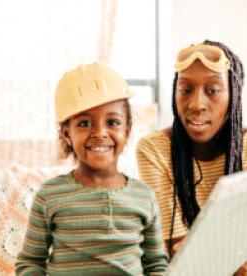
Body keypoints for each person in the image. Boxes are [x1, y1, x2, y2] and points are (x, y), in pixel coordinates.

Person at [136, 40, 247, 275]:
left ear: (234, 95)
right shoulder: (154, 149)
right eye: (185, 90)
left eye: (212, 90)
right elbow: (176, 244)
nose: (196, 104)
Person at [15, 63, 168, 275]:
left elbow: (157, 265)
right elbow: (30, 262)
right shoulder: (49, 195)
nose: (100, 133)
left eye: (112, 122)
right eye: (85, 123)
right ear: (66, 133)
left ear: (127, 129)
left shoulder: (145, 197)